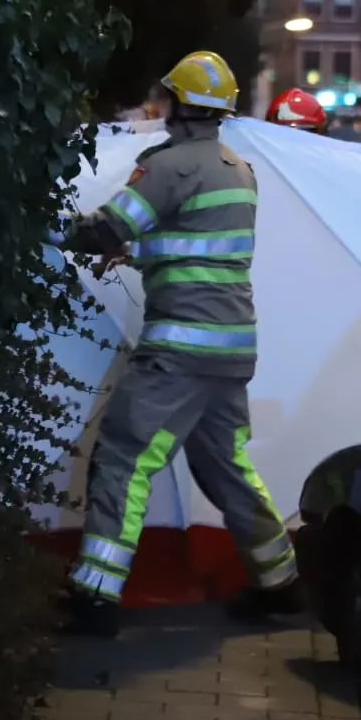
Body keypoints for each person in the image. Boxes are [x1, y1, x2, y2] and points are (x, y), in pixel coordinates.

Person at [51, 50, 299, 637]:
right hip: (231, 349)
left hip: (178, 349)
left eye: (168, 98)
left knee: (124, 458)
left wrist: (46, 225)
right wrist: (138, 251)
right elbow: (198, 246)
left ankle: (94, 596)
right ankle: (282, 581)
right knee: (226, 467)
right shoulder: (238, 170)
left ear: (182, 106)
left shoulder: (168, 166)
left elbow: (106, 227)